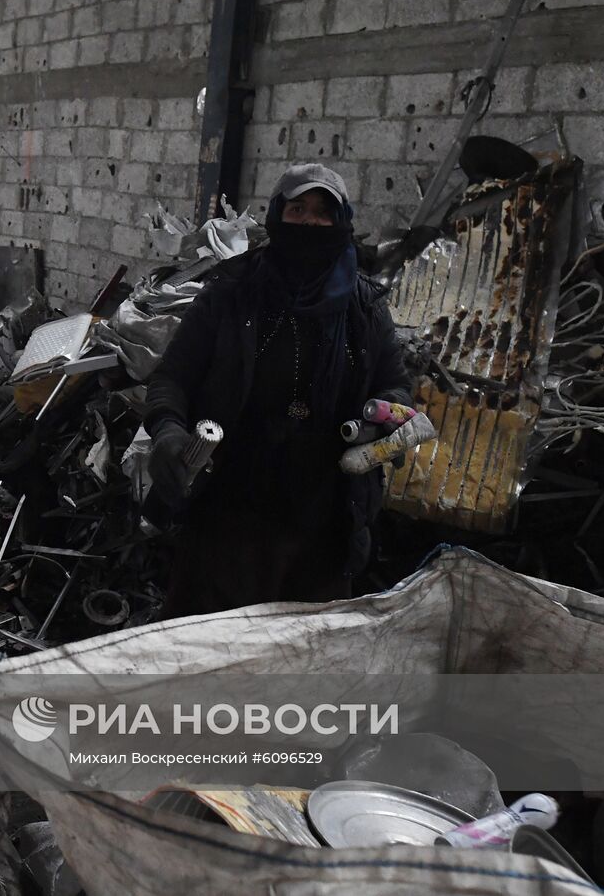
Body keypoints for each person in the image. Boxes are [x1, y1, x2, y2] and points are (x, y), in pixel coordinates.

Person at [145, 163, 411, 619]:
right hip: (229, 513)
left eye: (323, 213)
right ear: (275, 217)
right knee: (207, 656)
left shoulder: (364, 308)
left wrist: (385, 422)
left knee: (299, 668)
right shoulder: (231, 294)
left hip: (324, 524)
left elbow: (396, 388)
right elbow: (172, 378)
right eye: (297, 209)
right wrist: (169, 432)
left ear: (342, 223)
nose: (310, 222)